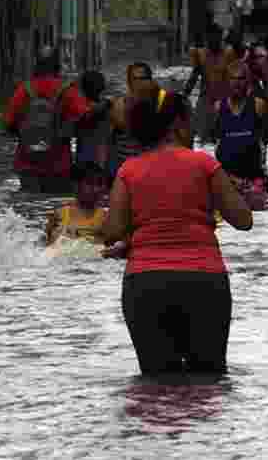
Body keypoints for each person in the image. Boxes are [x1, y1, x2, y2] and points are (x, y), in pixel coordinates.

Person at [101, 89, 253, 376]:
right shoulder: (204, 164)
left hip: (145, 284)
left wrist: (135, 239)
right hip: (204, 282)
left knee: (156, 382)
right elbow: (243, 220)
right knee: (209, 381)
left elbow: (112, 232)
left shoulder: (128, 170)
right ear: (176, 123)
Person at [3, 47, 104, 192]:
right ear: (57, 65)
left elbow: (7, 124)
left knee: (27, 209)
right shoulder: (68, 91)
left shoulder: (23, 90)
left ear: (36, 64)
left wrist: (29, 134)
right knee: (55, 209)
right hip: (58, 166)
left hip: (27, 165)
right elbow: (86, 118)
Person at [214, 61, 268, 209]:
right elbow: (215, 141)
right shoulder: (218, 107)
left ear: (247, 82)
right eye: (233, 78)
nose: (237, 83)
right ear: (227, 82)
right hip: (228, 179)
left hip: (254, 179)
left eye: (241, 79)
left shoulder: (258, 105)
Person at [44, 161, 111, 257]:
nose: (96, 189)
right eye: (90, 184)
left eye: (99, 184)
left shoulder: (106, 217)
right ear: (76, 186)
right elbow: (46, 246)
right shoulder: (59, 214)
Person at [184, 33, 236, 144]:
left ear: (220, 39)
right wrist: (185, 94)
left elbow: (234, 76)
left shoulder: (228, 54)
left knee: (223, 134)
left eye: (216, 39)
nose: (214, 43)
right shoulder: (201, 55)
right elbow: (194, 75)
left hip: (223, 99)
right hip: (206, 98)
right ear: (207, 40)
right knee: (196, 131)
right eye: (211, 40)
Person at [111, 63, 160, 173]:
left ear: (150, 80)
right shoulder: (120, 104)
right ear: (129, 81)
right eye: (134, 79)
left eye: (143, 78)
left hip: (153, 165)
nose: (139, 83)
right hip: (127, 164)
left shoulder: (160, 103)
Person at [74, 70, 112, 171]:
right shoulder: (106, 106)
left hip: (83, 158)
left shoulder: (79, 107)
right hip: (100, 159)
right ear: (102, 87)